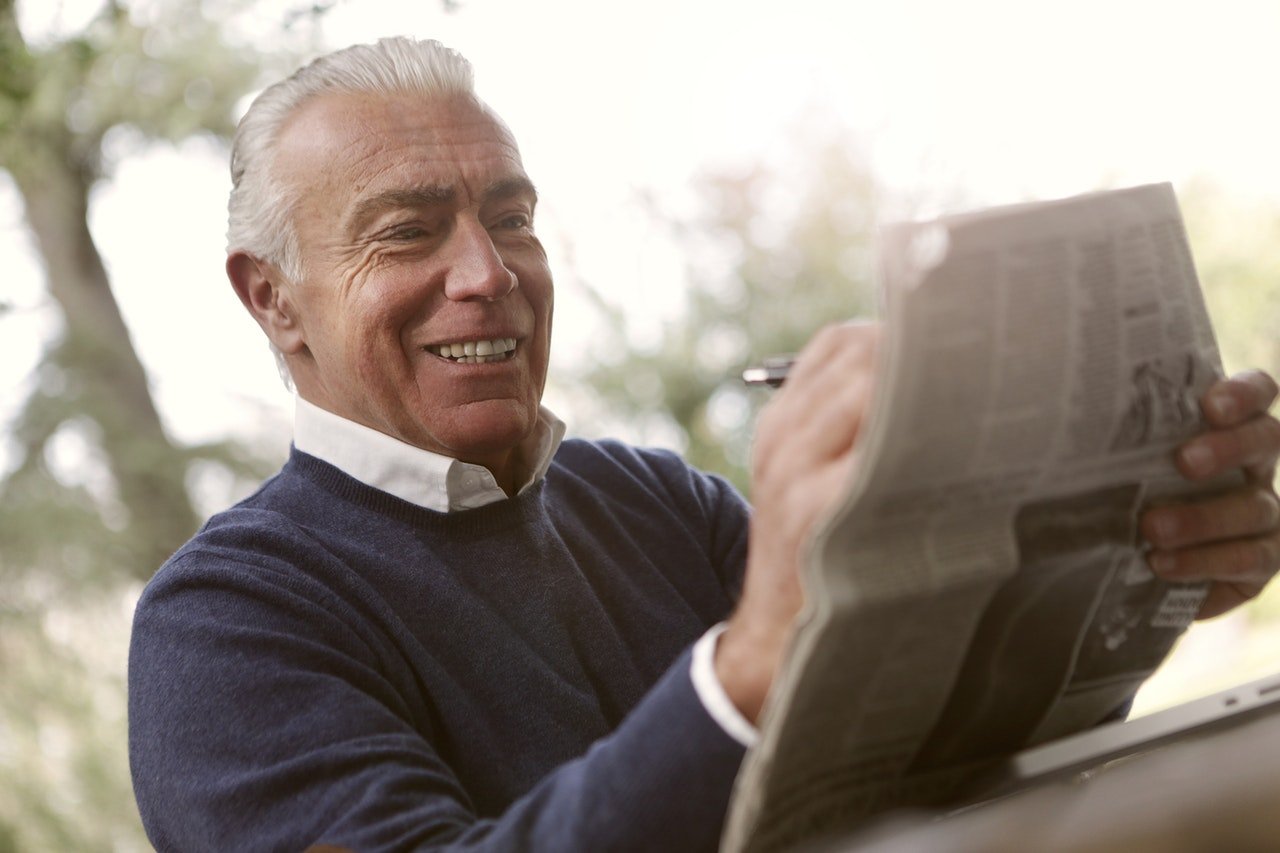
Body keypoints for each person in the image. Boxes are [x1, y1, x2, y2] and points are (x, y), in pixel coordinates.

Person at [127, 37, 1280, 852]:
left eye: (511, 219)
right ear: (272, 299)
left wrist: (1132, 579)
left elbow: (924, 767)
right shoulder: (222, 629)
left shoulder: (653, 500)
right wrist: (742, 672)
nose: (488, 275)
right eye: (409, 232)